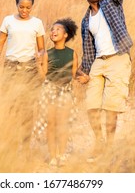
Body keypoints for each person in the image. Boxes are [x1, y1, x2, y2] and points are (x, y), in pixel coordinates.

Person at [76, 0, 133, 163]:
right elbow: (89, 50)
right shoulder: (85, 20)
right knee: (91, 105)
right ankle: (98, 142)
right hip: (98, 63)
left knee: (111, 107)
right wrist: (81, 70)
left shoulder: (111, 1)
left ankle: (109, 147)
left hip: (118, 57)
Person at [0, 0, 46, 150]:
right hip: (11, 68)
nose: (24, 10)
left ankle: (25, 146)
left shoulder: (37, 23)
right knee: (11, 108)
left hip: (30, 69)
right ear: (16, 4)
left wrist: (41, 59)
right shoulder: (8, 21)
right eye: (21, 7)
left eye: (28, 7)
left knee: (27, 110)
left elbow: (42, 48)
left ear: (32, 6)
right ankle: (10, 146)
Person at [38, 18, 79, 167]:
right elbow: (43, 75)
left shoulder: (72, 53)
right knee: (51, 123)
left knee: (63, 124)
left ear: (66, 35)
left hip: (66, 92)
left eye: (58, 29)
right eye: (52, 29)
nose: (53, 31)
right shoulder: (47, 54)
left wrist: (83, 77)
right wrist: (38, 63)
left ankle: (62, 155)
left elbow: (74, 74)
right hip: (49, 90)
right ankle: (53, 156)